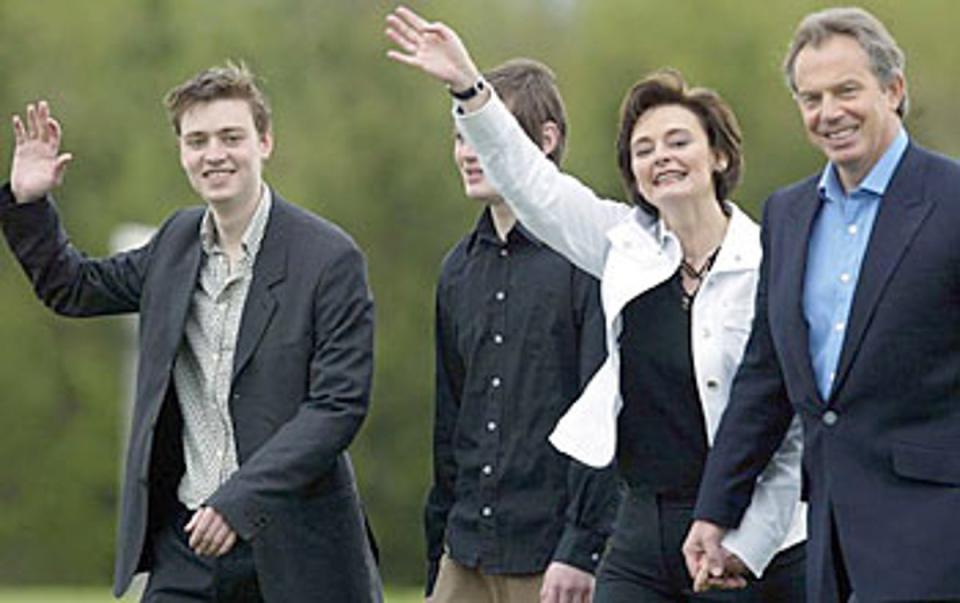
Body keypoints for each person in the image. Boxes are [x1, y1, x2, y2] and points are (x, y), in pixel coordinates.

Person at [385, 7, 805, 601]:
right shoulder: (623, 248)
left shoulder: (771, 263)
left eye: (678, 141)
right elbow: (535, 187)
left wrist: (745, 541)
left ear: (719, 156)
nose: (661, 156)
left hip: (744, 527)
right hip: (641, 528)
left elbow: (790, 430)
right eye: (644, 149)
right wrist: (469, 89)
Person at [0, 63, 382, 602]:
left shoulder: (329, 259)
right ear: (182, 151)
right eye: (197, 140)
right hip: (189, 547)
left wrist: (238, 501)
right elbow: (74, 288)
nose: (214, 154)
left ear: (264, 142)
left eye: (231, 137)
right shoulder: (175, 243)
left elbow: (337, 408)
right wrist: (30, 203)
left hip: (295, 551)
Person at [683, 6, 960, 601]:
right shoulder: (787, 215)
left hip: (940, 536)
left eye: (846, 91)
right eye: (811, 98)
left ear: (894, 89)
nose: (829, 113)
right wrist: (715, 512)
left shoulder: (953, 201)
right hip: (830, 543)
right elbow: (765, 379)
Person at [423, 57, 619, 603]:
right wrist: (437, 546)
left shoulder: (592, 258)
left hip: (555, 558)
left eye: (482, 134)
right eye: (459, 135)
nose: (466, 151)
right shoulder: (455, 270)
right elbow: (450, 424)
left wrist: (581, 548)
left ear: (547, 139)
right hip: (464, 551)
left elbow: (605, 419)